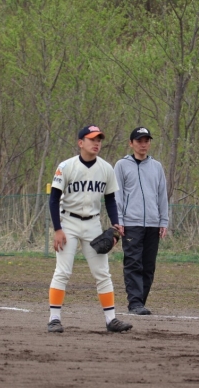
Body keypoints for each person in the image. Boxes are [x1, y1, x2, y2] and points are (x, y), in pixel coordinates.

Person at [47, 125, 133, 333]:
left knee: (102, 273)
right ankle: (54, 318)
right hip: (68, 223)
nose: (96, 143)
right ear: (80, 143)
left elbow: (110, 199)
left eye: (99, 139)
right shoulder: (66, 166)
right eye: (92, 139)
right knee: (63, 271)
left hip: (93, 224)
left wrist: (116, 223)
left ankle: (111, 320)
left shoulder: (106, 168)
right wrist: (57, 229)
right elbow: (54, 199)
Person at [114, 127, 169, 315]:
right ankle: (135, 303)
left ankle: (140, 303)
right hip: (131, 223)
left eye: (146, 141)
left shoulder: (157, 167)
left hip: (153, 223)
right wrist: (119, 220)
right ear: (131, 143)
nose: (143, 144)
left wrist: (163, 221)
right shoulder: (121, 165)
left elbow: (162, 195)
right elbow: (117, 195)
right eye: (139, 141)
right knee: (133, 263)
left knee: (148, 266)